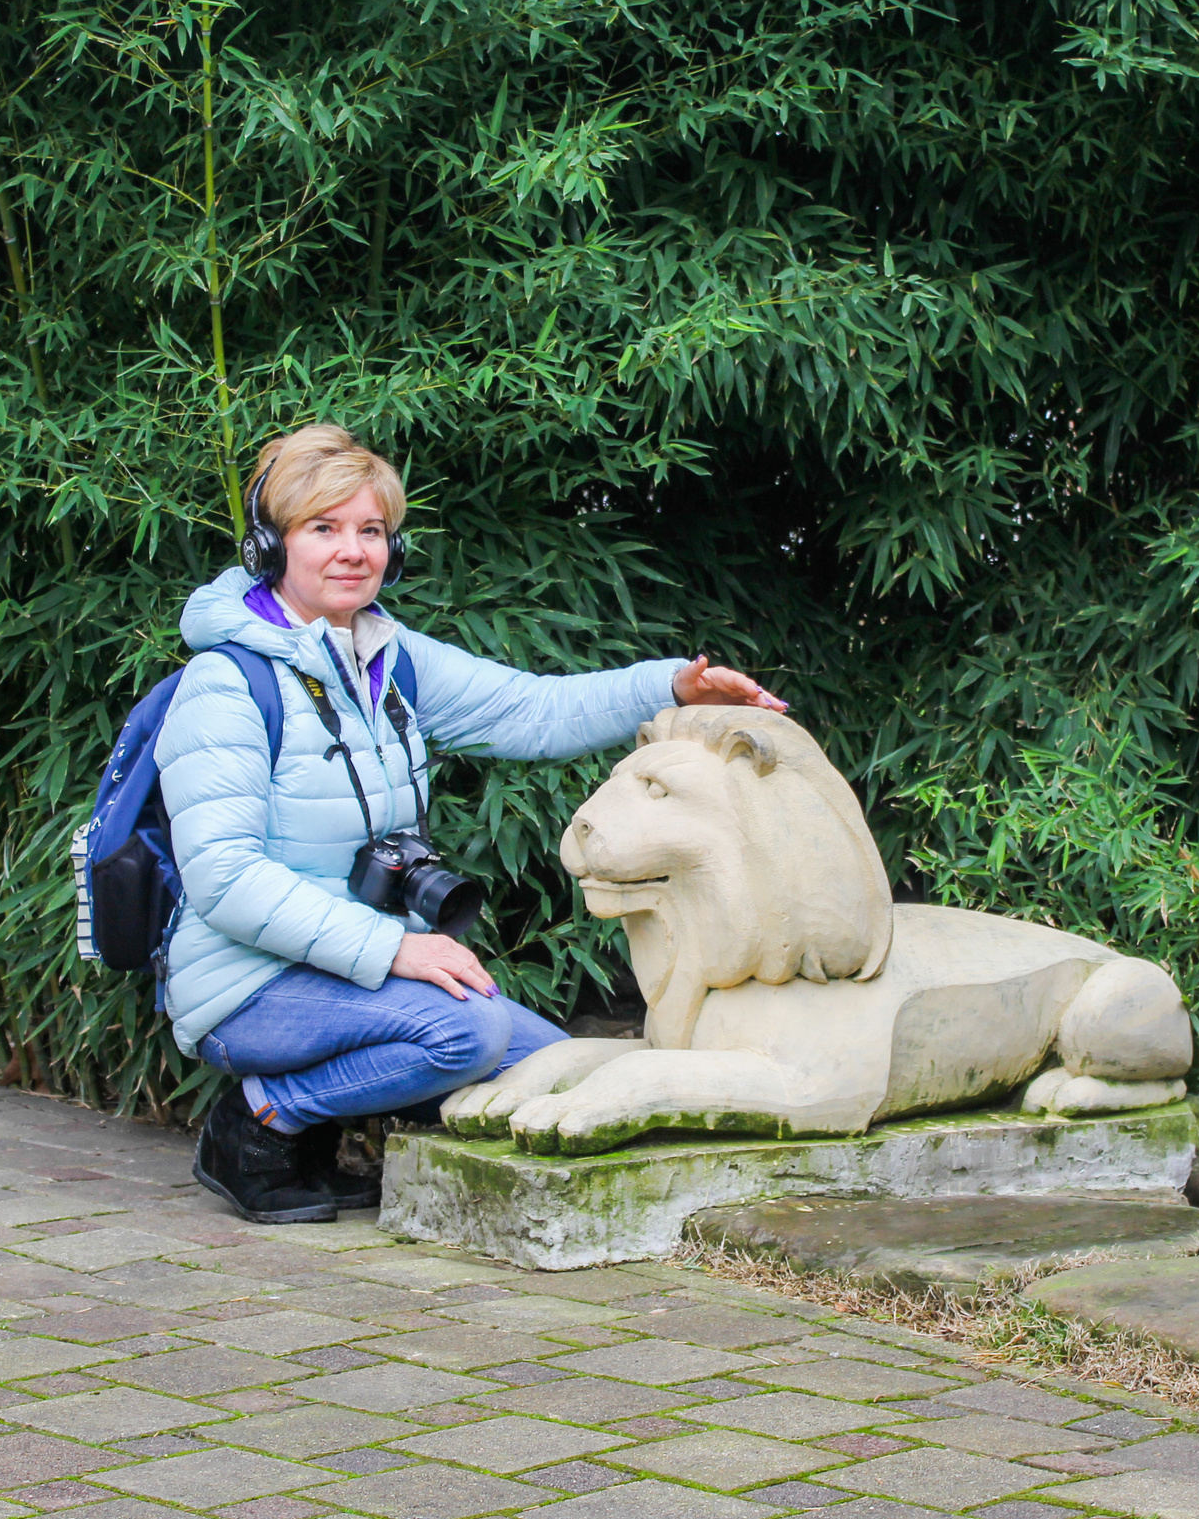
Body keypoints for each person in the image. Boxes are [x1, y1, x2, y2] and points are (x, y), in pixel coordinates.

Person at [156, 425, 786, 1223]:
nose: (352, 550)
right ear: (269, 547)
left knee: (557, 1066)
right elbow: (224, 878)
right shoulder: (227, 682)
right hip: (245, 983)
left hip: (352, 965)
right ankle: (258, 1122)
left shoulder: (385, 656)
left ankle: (311, 1129)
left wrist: (672, 685)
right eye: (323, 528)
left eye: (371, 530)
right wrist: (396, 946)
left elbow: (531, 711)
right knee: (466, 1036)